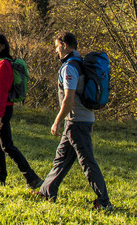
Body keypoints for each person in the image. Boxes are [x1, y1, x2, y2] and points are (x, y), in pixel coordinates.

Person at [32, 31, 113, 210]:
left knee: (87, 161)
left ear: (64, 45)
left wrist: (57, 121)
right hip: (79, 120)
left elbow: (69, 99)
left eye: (56, 46)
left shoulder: (70, 67)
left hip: (77, 121)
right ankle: (47, 191)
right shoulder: (80, 63)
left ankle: (104, 201)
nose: (55, 51)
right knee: (61, 158)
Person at [0, 32, 42, 189]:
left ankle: (32, 178)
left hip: (3, 109)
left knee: (7, 146)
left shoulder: (3, 64)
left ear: (3, 47)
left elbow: (3, 91)